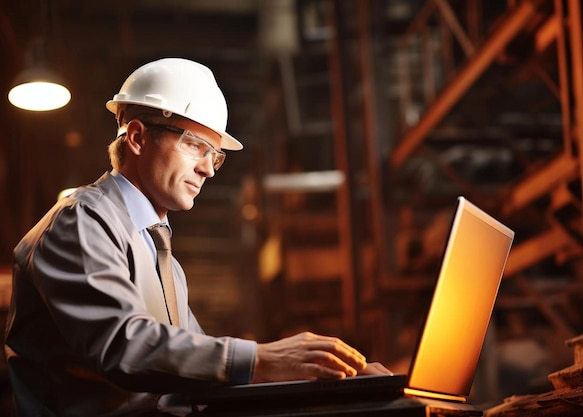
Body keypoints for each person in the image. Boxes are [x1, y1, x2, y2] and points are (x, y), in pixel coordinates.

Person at [4, 58, 389, 417]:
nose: (208, 169)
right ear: (137, 137)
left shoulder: (157, 249)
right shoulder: (81, 222)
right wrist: (263, 359)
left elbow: (197, 368)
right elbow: (125, 345)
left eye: (215, 155)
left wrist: (333, 379)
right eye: (195, 146)